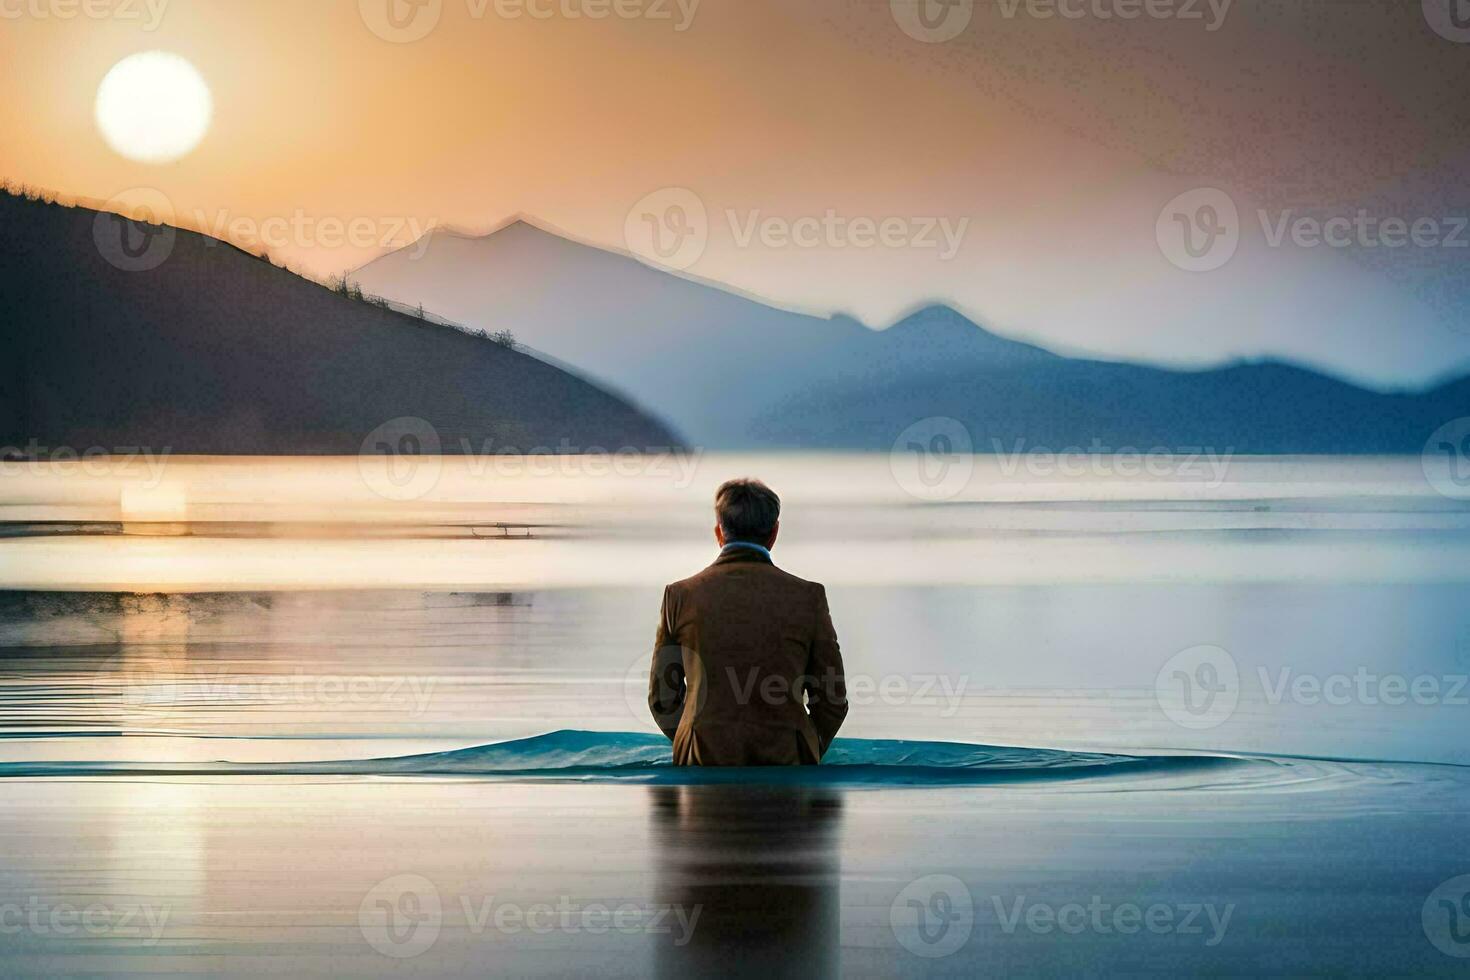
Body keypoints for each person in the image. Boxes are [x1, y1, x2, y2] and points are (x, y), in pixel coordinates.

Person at [647, 478, 848, 765]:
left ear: (719, 532)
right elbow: (832, 699)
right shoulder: (808, 597)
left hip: (702, 758)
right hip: (787, 758)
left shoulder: (680, 596)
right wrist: (806, 746)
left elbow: (663, 700)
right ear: (774, 532)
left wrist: (691, 741)